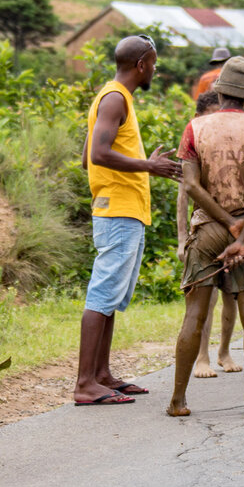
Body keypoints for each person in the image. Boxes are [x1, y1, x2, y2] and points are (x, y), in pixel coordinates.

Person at [169, 56, 244, 417]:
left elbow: (191, 185)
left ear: (218, 90)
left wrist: (225, 224)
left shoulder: (196, 128)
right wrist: (242, 232)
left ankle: (178, 401)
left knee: (195, 315)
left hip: (207, 229)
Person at [75, 35, 181, 406]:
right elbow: (99, 153)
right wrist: (148, 166)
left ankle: (101, 374)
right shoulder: (116, 97)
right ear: (141, 64)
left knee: (112, 296)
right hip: (118, 210)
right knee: (102, 294)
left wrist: (141, 165)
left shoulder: (114, 98)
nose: (155, 68)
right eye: (153, 62)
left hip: (124, 207)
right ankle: (85, 382)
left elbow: (86, 158)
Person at [177, 91, 241, 379]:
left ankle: (224, 351)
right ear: (199, 117)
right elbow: (183, 196)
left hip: (233, 229)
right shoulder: (193, 140)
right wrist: (181, 240)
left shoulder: (232, 142)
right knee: (205, 298)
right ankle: (202, 356)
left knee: (232, 294)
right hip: (203, 228)